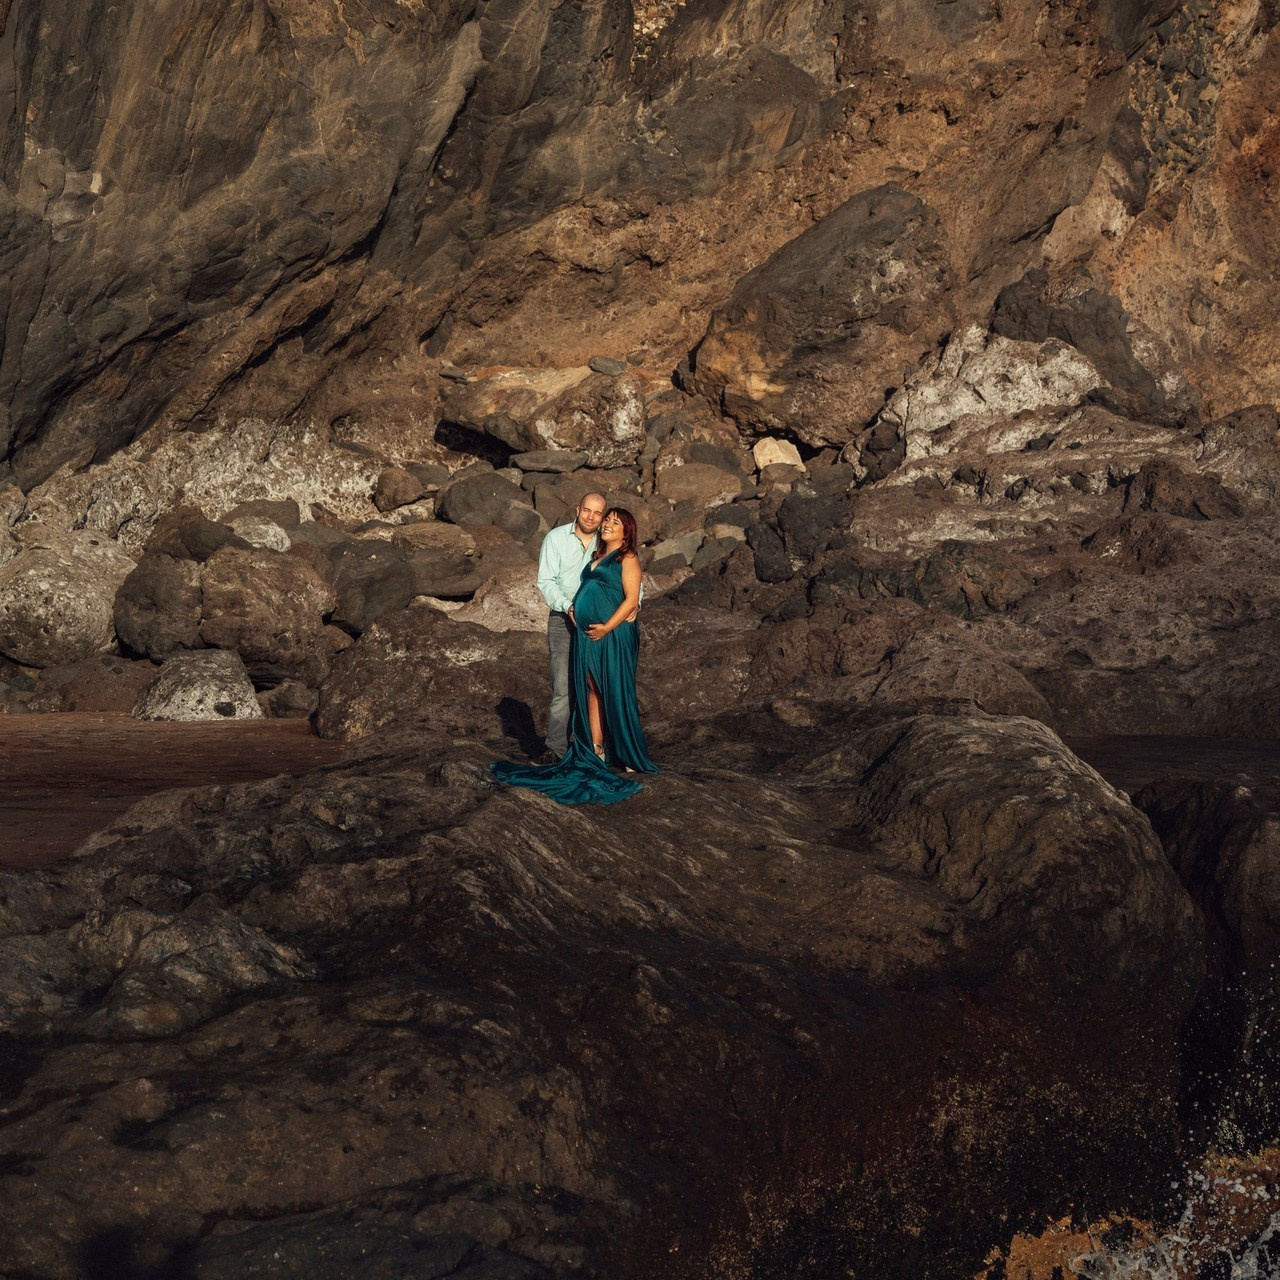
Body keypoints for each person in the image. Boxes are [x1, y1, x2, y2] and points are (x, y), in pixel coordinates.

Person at [492, 506, 658, 805]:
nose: (605, 523)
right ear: (579, 511)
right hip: (587, 633)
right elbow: (552, 581)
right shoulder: (593, 553)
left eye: (613, 521)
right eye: (605, 519)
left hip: (611, 633)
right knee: (592, 688)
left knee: (614, 690)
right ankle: (596, 747)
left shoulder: (627, 556)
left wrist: (610, 625)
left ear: (627, 531)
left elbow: (633, 595)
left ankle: (630, 754)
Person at [535, 492, 606, 761]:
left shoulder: (607, 541)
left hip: (599, 623)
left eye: (598, 513)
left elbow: (627, 573)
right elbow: (546, 581)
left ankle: (592, 747)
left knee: (596, 685)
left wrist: (636, 604)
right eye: (587, 510)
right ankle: (555, 748)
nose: (591, 517)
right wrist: (568, 606)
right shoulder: (555, 538)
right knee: (564, 686)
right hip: (562, 619)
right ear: (577, 509)